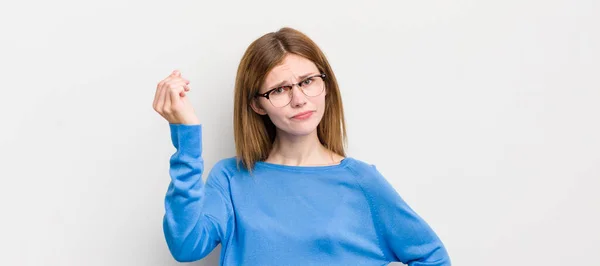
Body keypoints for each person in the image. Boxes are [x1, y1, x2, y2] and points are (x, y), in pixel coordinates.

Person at [152, 27, 451, 266]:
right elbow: (185, 245)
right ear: (257, 104)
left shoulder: (361, 181)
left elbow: (433, 258)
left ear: (326, 85)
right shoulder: (231, 178)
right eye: (280, 89)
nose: (299, 99)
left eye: (307, 81)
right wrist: (186, 134)